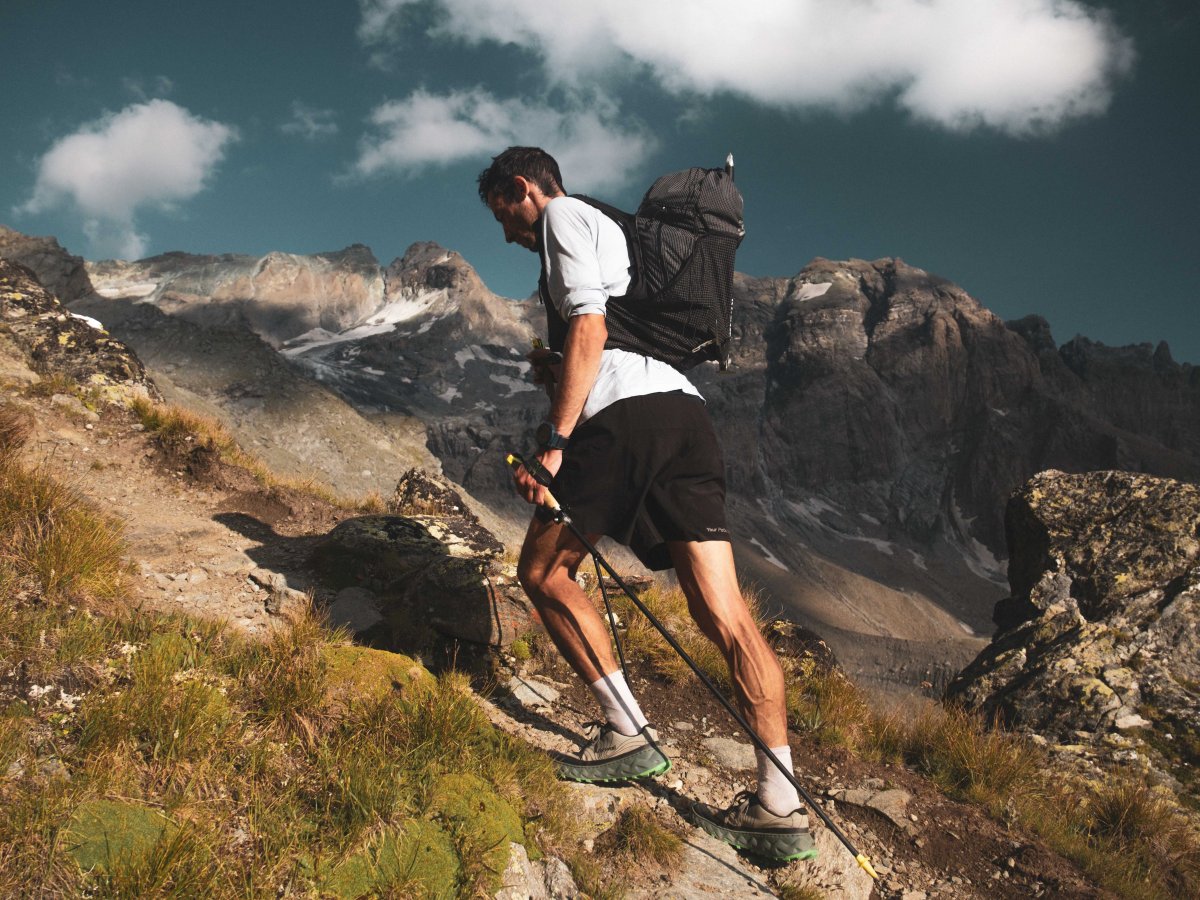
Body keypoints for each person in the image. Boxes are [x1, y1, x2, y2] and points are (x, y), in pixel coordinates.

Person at [477, 146, 816, 861]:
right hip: (684, 419)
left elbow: (595, 331)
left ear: (521, 188)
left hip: (621, 422)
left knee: (542, 573)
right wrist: (556, 370)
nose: (504, 231)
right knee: (725, 615)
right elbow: (604, 340)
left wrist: (555, 442)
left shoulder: (564, 217)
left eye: (502, 213)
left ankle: (626, 732)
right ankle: (780, 805)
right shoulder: (617, 232)